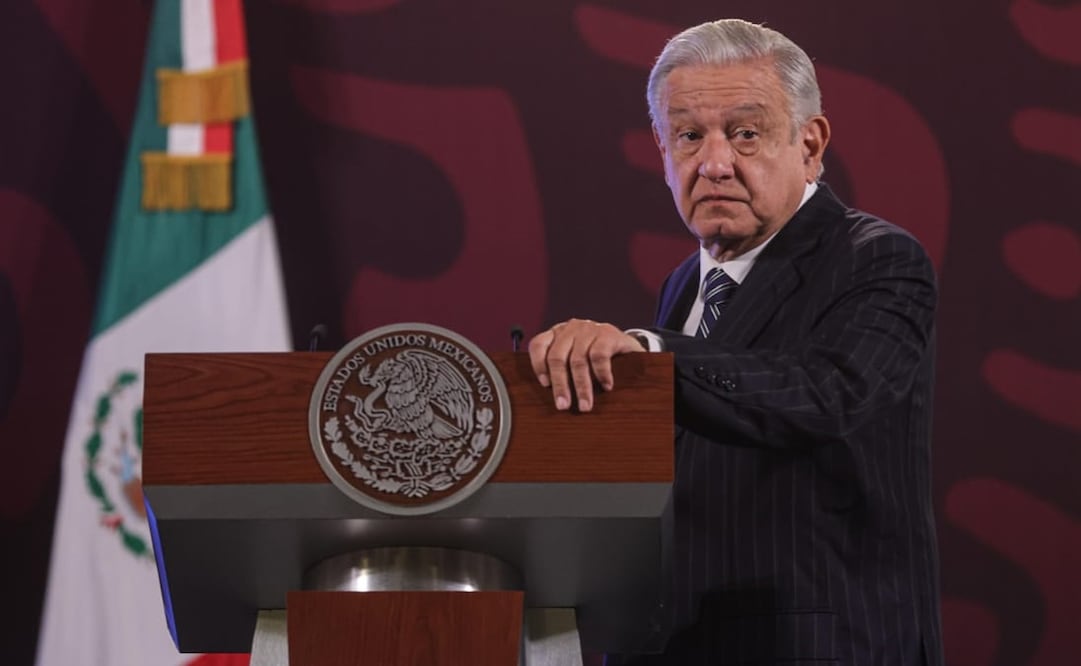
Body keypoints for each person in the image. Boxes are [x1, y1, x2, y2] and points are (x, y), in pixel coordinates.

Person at [528, 18, 944, 666]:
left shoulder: (876, 259)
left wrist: (648, 358)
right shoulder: (683, 285)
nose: (714, 164)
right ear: (661, 149)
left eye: (745, 133)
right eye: (689, 136)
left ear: (810, 144)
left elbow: (822, 395)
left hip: (819, 647)